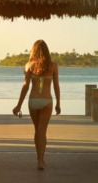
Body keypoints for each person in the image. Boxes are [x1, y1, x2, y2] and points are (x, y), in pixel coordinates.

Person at [12, 39, 61, 170]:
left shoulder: (28, 65)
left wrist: (18, 105)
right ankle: (41, 160)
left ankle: (38, 158)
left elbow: (25, 87)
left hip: (33, 101)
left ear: (33, 50)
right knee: (42, 131)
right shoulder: (53, 66)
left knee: (37, 131)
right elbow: (56, 86)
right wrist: (58, 104)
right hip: (47, 101)